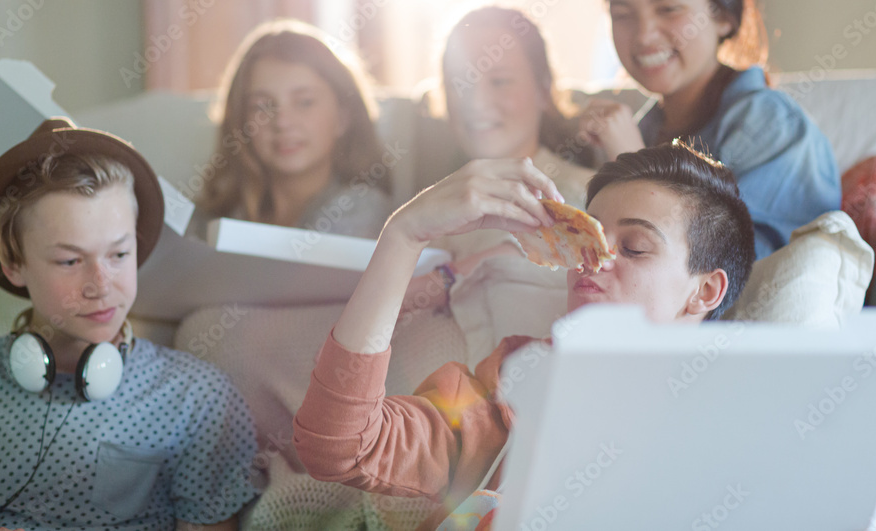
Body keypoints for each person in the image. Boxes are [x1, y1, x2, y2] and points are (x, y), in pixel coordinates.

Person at [293, 141, 756, 529]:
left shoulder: (739, 425)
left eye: (634, 247)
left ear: (705, 291)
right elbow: (340, 446)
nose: (593, 260)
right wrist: (404, 236)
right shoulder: (507, 390)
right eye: (587, 238)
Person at [0, 118, 258, 530]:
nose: (100, 286)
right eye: (70, 261)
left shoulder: (195, 400)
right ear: (13, 263)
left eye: (119, 255)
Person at [581, 0, 840, 259]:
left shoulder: (768, 122)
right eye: (623, 14)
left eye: (669, 8)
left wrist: (630, 163)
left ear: (721, 15)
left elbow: (728, 279)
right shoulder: (647, 126)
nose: (643, 36)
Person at [401, 6, 595, 321]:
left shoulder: (588, 191)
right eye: (460, 83)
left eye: (500, 81)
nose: (475, 102)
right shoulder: (429, 202)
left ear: (543, 90)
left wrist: (438, 282)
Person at [192, 19, 391, 240]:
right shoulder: (215, 215)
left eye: (305, 102)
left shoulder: (361, 210)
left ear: (343, 118)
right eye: (262, 106)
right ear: (241, 121)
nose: (282, 122)